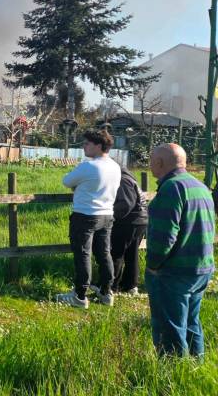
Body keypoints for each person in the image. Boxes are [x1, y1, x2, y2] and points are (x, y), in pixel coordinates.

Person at [146, 143, 214, 357]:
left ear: (160, 163)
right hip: (201, 267)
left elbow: (164, 236)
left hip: (175, 270)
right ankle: (195, 366)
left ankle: (173, 373)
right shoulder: (199, 186)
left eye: (151, 161)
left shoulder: (171, 188)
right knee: (192, 323)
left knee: (170, 328)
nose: (150, 165)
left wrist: (153, 265)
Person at [56, 130, 120, 309]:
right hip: (107, 215)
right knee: (104, 254)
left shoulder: (89, 166)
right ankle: (106, 292)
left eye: (87, 143)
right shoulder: (115, 166)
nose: (84, 146)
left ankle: (80, 295)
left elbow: (67, 181)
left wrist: (79, 187)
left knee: (83, 254)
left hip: (85, 214)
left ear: (98, 146)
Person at [104, 167, 148, 295]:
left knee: (117, 253)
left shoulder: (122, 180)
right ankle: (130, 285)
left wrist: (110, 216)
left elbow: (126, 204)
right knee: (131, 254)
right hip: (139, 220)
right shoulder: (128, 178)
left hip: (129, 221)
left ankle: (111, 286)